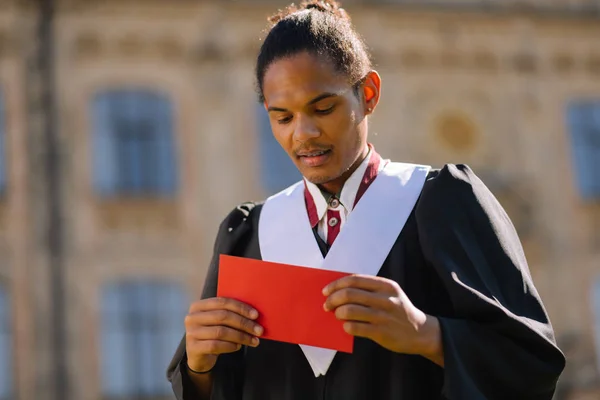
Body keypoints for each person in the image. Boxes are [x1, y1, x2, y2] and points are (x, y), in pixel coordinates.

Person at [167, 1, 566, 399]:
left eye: (323, 108)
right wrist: (200, 367)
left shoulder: (441, 203)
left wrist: (429, 334)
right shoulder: (248, 235)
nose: (303, 134)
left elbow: (530, 365)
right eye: (282, 117)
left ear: (369, 93)